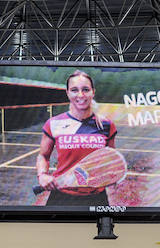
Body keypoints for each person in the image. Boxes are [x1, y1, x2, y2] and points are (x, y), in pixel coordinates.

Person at [35, 70, 118, 207]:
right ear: (67, 93)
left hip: (96, 198)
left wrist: (111, 173)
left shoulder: (107, 125)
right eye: (74, 90)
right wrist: (42, 175)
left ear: (93, 92)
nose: (81, 95)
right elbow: (43, 156)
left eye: (85, 89)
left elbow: (110, 158)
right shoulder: (54, 123)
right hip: (62, 196)